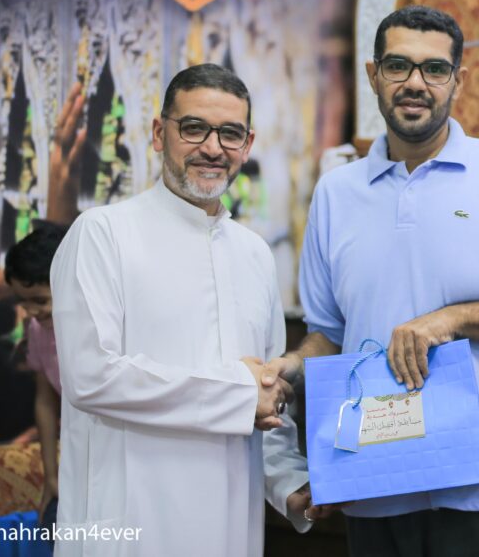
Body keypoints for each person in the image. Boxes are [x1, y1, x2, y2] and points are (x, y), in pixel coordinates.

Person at [281, 5, 479, 557]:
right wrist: (289, 369)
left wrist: (455, 318)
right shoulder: (336, 193)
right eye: (398, 66)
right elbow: (328, 334)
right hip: (376, 493)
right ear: (373, 75)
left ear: (460, 80)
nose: (415, 83)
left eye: (434, 69)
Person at [50, 64, 312, 556]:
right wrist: (239, 395)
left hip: (231, 527)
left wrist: (289, 484)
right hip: (132, 524)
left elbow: (267, 393)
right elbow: (91, 377)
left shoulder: (255, 254)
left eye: (230, 133)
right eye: (193, 128)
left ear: (247, 145)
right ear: (158, 133)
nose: (212, 148)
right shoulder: (102, 234)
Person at [4, 224, 68, 523]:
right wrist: (51, 476)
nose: (30, 311)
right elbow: (45, 401)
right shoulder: (38, 330)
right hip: (76, 452)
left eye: (40, 300)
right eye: (22, 301)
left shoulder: (104, 326)